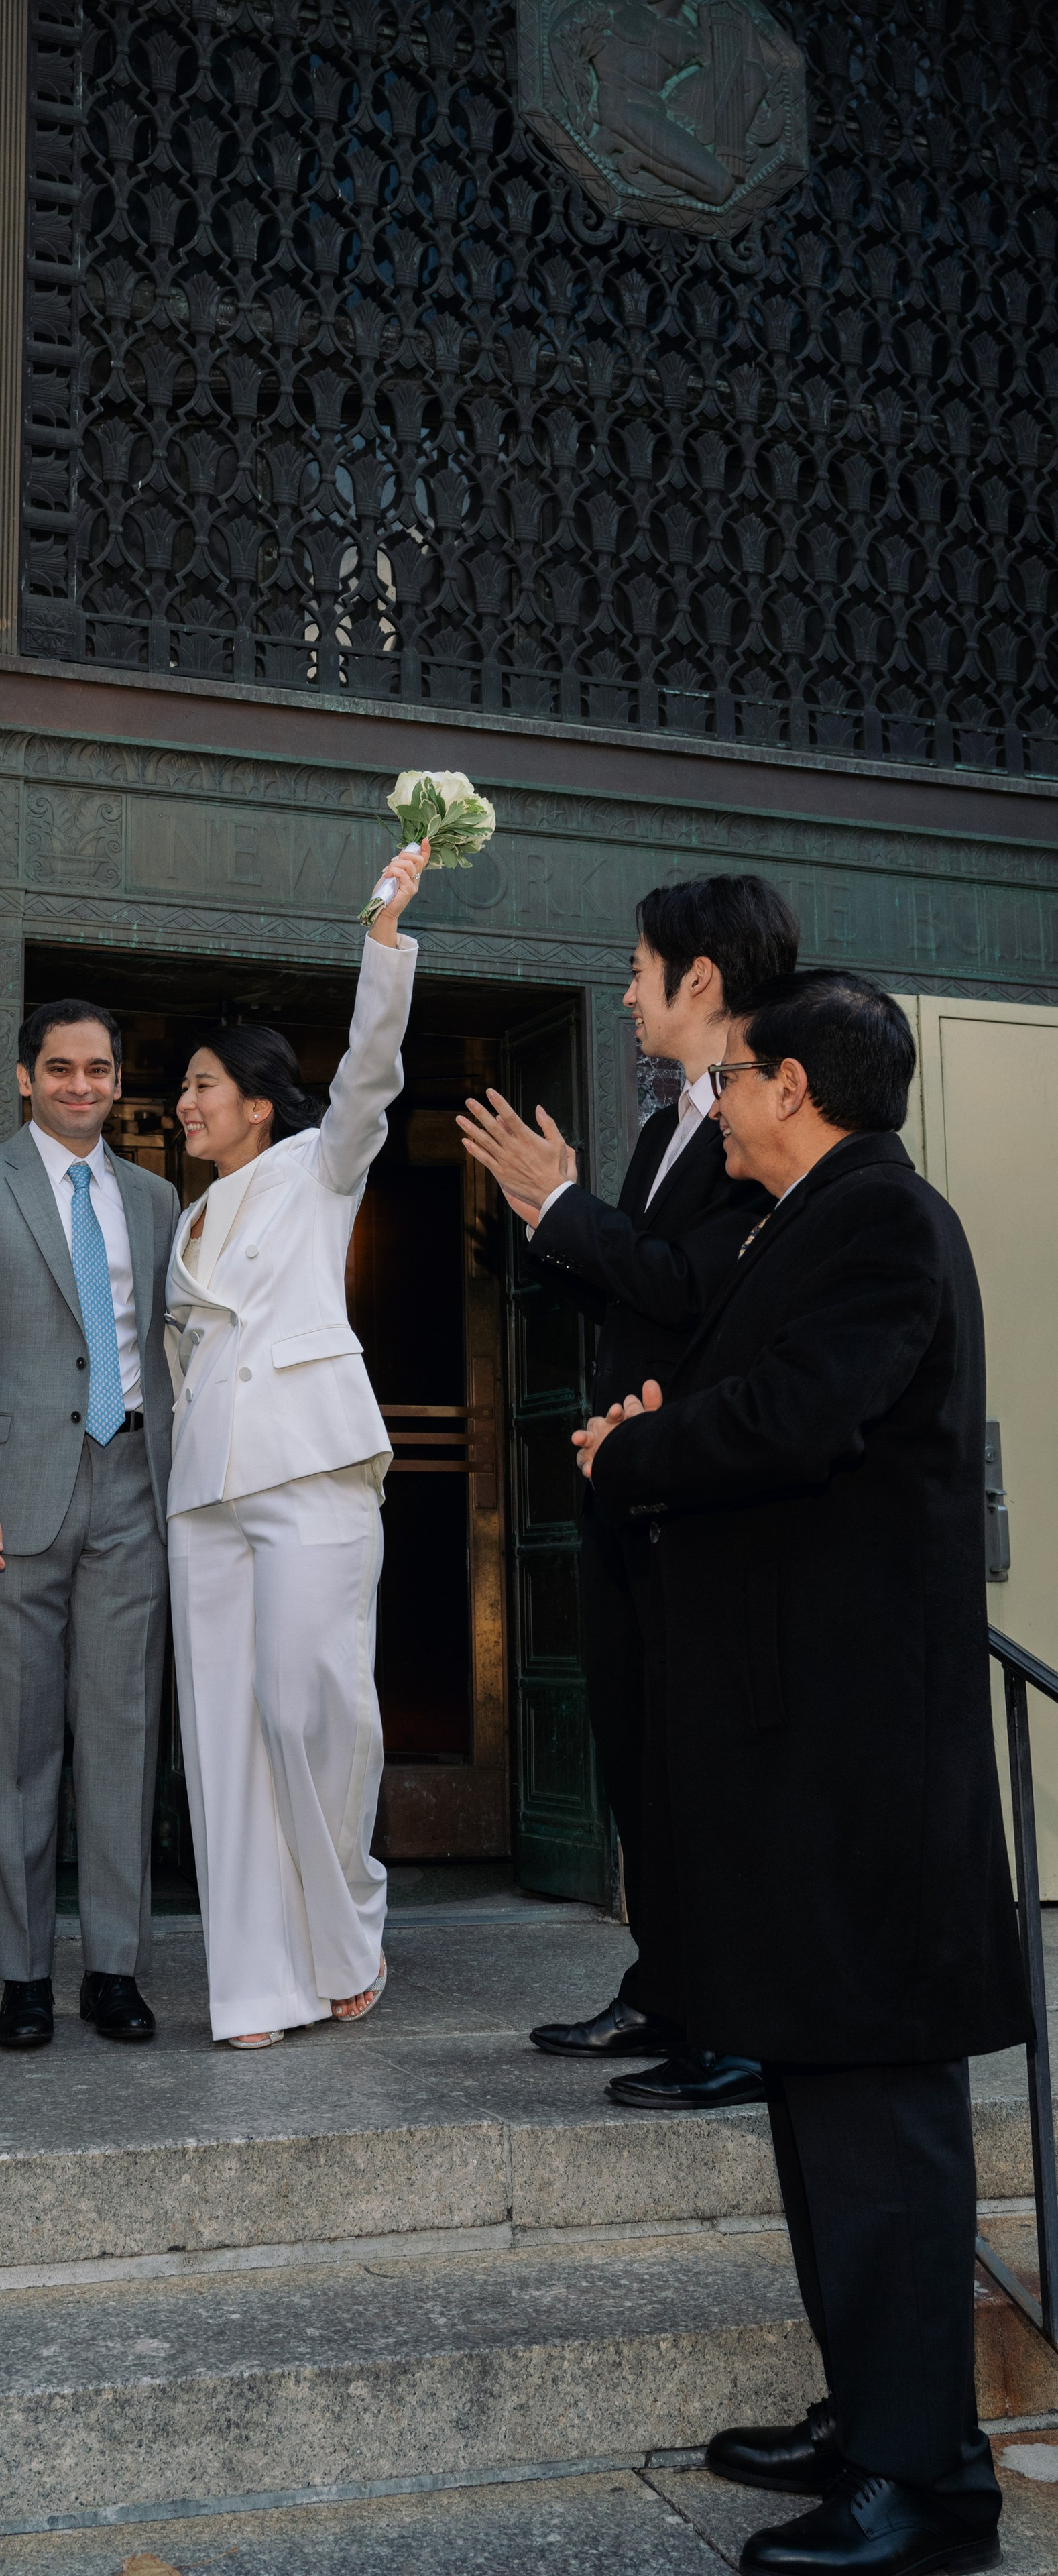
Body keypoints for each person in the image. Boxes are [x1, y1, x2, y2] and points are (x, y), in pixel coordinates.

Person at [577, 970, 1028, 2575]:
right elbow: (760, 1406)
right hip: (796, 1748)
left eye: (738, 1079)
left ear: (791, 1087)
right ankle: (871, 2418)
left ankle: (928, 2482)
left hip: (856, 1763)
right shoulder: (800, 1225)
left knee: (876, 2119)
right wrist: (663, 1414)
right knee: (813, 2099)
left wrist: (638, 1447)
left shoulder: (878, 1221)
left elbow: (800, 1417)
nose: (721, 1104)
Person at [457, 873, 797, 2113]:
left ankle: (744, 2022)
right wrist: (544, 1227)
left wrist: (565, 1204)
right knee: (640, 1755)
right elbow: (626, 1286)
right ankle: (667, 1984)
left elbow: (688, 1287)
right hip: (624, 1485)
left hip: (703, 1494)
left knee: (710, 1766)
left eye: (638, 966)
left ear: (698, 978)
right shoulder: (664, 1127)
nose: (624, 990)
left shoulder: (766, 1127)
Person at [166, 843, 426, 2048]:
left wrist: (383, 934)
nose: (187, 1101)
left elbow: (371, 1076)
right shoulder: (192, 1214)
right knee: (223, 1736)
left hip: (312, 1467)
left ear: (262, 1100)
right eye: (184, 1087)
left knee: (311, 1708)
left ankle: (349, 1919)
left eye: (206, 1084)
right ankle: (259, 1984)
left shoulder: (315, 1173)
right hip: (206, 1488)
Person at [0, 999, 179, 2049]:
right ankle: (22, 1977)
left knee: (122, 1736)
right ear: (25, 1076)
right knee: (17, 1745)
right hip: (7, 1500)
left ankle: (115, 1968)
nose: (80, 1084)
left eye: (99, 1068)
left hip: (131, 1489)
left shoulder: (156, 1197)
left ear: (119, 1079)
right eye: (60, 1067)